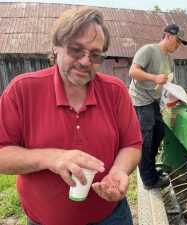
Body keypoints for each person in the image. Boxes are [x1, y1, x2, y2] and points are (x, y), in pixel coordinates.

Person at [0, 7, 142, 225]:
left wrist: (119, 170)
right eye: (76, 50)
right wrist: (52, 158)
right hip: (45, 220)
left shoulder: (115, 90)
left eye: (95, 54)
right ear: (56, 47)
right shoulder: (22, 89)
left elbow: (132, 145)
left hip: (111, 216)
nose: (85, 61)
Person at [128, 24, 187, 190]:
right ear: (168, 35)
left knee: (159, 132)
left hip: (154, 101)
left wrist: (180, 98)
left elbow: (170, 85)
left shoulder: (170, 60)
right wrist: (154, 78)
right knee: (146, 140)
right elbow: (133, 72)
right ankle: (149, 180)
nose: (178, 45)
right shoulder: (148, 50)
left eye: (180, 42)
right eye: (177, 41)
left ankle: (151, 169)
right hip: (140, 100)